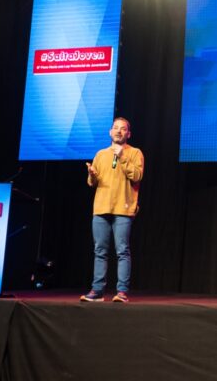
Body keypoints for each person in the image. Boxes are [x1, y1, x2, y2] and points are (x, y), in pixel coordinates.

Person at [80, 117, 144, 303]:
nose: (118, 131)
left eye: (123, 129)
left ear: (128, 134)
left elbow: (137, 176)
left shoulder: (135, 153)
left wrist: (122, 157)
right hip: (101, 208)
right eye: (115, 128)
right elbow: (92, 183)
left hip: (123, 208)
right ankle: (97, 291)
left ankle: (122, 291)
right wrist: (92, 175)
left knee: (122, 250)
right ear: (110, 132)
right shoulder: (101, 154)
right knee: (100, 251)